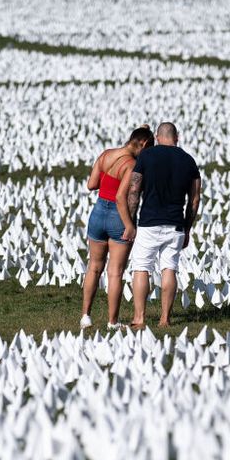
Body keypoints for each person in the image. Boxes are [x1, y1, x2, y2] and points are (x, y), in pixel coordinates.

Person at [120, 122, 201, 329]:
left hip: (149, 223)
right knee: (169, 269)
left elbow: (134, 192)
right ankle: (165, 319)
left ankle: (139, 318)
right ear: (177, 137)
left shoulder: (146, 157)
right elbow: (194, 200)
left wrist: (130, 221)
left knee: (141, 268)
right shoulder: (189, 161)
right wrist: (187, 228)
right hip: (174, 224)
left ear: (157, 137)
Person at [80, 125, 154, 330]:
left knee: (93, 267)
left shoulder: (106, 154)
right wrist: (130, 225)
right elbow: (121, 198)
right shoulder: (131, 165)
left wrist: (108, 180)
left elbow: (91, 184)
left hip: (97, 213)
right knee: (115, 272)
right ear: (144, 144)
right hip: (117, 216)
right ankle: (112, 322)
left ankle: (85, 316)